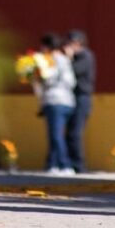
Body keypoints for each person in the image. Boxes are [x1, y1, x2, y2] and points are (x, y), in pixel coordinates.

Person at [33, 33, 76, 175]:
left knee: (55, 135)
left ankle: (65, 165)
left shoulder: (49, 61)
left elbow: (48, 79)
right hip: (68, 101)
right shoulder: (66, 60)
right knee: (56, 134)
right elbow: (72, 82)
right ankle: (52, 164)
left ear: (46, 47)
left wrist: (38, 77)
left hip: (54, 100)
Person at [63, 29, 96, 174]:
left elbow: (74, 71)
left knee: (75, 132)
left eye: (71, 43)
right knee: (69, 132)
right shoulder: (75, 57)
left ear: (78, 43)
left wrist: (68, 58)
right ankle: (70, 163)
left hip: (82, 98)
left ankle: (79, 166)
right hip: (72, 97)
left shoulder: (86, 56)